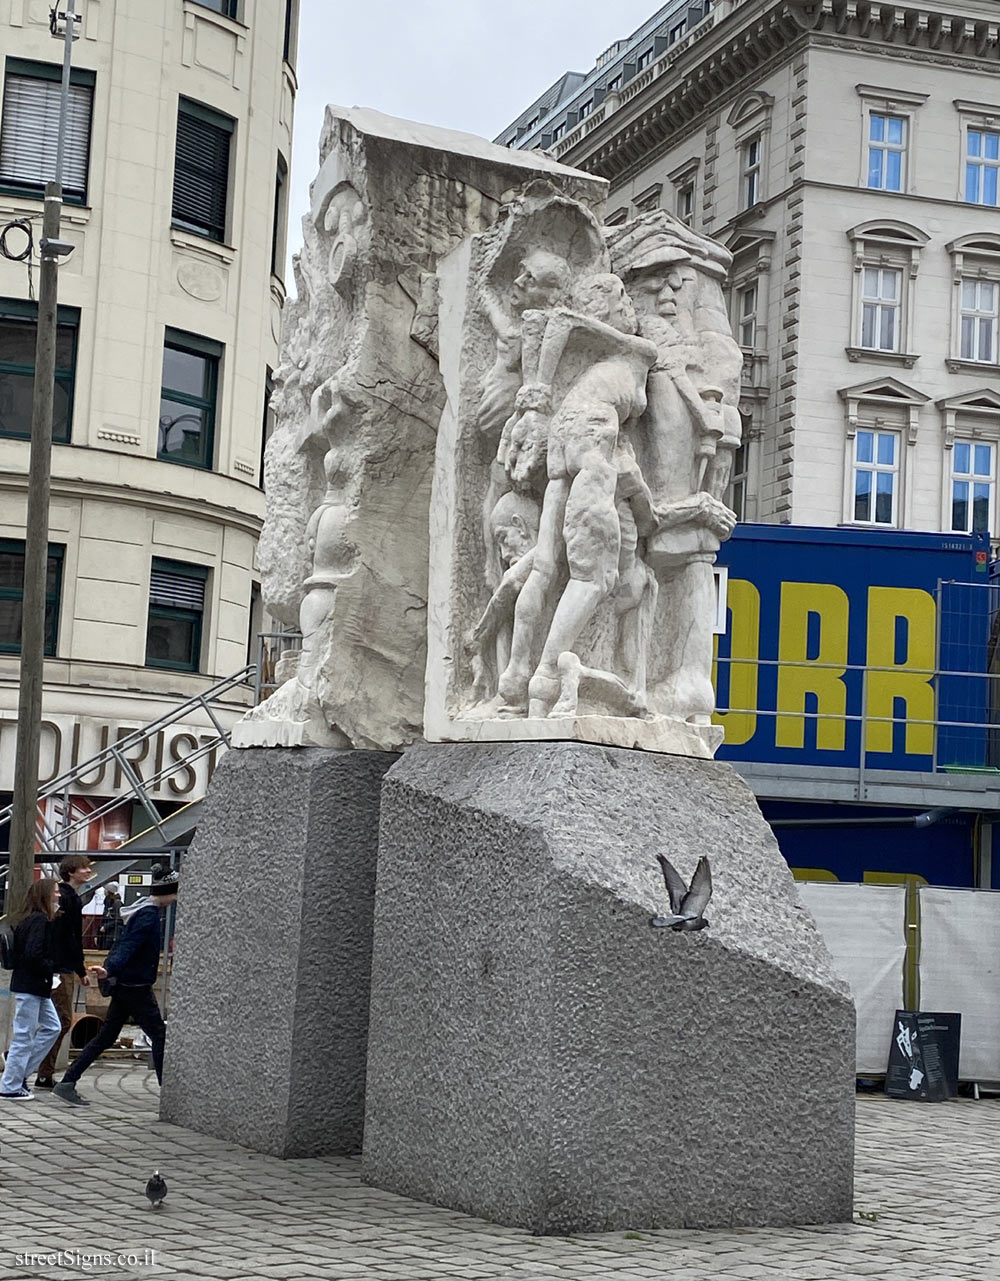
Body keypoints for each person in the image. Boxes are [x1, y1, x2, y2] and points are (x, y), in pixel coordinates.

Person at [53, 871, 178, 1107]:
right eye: (174, 893)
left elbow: (123, 944)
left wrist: (110, 968)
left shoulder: (140, 910)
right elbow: (129, 946)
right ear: (167, 893)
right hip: (136, 986)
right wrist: (109, 969)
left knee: (106, 1036)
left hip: (126, 984)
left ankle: (68, 1082)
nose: (174, 899)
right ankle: (168, 1097)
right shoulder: (149, 916)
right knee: (160, 1036)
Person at [34, 854, 94, 1091]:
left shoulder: (69, 898)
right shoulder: (70, 899)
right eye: (84, 868)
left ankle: (41, 1070)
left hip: (60, 966)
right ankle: (41, 1070)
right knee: (60, 1021)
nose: (88, 871)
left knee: (56, 1020)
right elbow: (71, 937)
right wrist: (80, 968)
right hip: (61, 968)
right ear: (71, 872)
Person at [0, 878, 62, 1101]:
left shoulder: (28, 919)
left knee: (52, 1027)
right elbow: (33, 954)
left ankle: (16, 1074)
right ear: (45, 895)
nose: (59, 896)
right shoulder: (40, 921)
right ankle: (10, 1085)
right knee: (25, 1035)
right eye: (55, 892)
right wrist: (51, 968)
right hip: (33, 985)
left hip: (33, 985)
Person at [97, 881, 123, 950]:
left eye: (105, 889)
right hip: (105, 935)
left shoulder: (117, 903)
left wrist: (106, 927)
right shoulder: (107, 903)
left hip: (113, 935)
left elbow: (119, 920)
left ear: (108, 891)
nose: (104, 891)